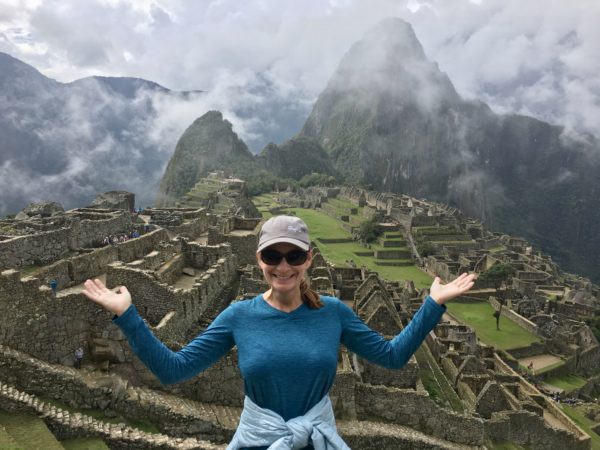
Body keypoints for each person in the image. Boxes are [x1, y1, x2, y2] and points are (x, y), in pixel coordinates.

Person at [82, 215, 474, 449]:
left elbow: (392, 357)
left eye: (293, 256)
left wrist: (432, 305)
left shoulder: (332, 313)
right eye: (273, 255)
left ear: (308, 260)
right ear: (259, 260)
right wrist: (128, 315)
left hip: (317, 438)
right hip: (258, 440)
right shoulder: (239, 316)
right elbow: (173, 369)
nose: (282, 267)